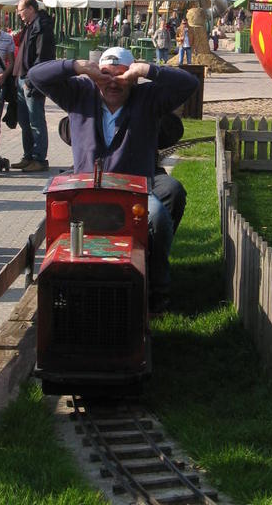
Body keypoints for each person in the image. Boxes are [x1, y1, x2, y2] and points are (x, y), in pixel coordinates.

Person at [28, 46, 198, 311]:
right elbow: (36, 75)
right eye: (106, 74)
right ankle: (67, 286)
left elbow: (189, 84)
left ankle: (157, 288)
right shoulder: (79, 94)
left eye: (121, 75)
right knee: (58, 220)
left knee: (158, 218)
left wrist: (146, 70)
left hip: (133, 191)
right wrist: (77, 66)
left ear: (133, 77)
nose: (113, 82)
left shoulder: (148, 99)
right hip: (87, 189)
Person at [11, 0, 55, 172]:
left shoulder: (42, 27)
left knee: (36, 121)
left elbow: (42, 57)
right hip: (21, 78)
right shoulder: (29, 26)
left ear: (31, 9)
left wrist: (31, 80)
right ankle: (28, 156)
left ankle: (39, 159)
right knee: (24, 121)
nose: (19, 14)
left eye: (21, 10)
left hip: (32, 81)